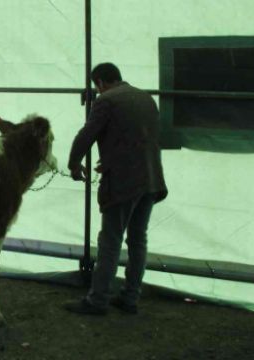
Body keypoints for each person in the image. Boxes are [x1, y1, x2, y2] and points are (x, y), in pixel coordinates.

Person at [63, 63, 168, 315]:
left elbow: (87, 135)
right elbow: (140, 138)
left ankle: (97, 300)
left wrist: (74, 164)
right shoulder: (146, 98)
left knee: (110, 241)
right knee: (137, 239)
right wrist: (111, 158)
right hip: (152, 179)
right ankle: (130, 298)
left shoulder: (106, 101)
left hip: (123, 183)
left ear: (99, 82)